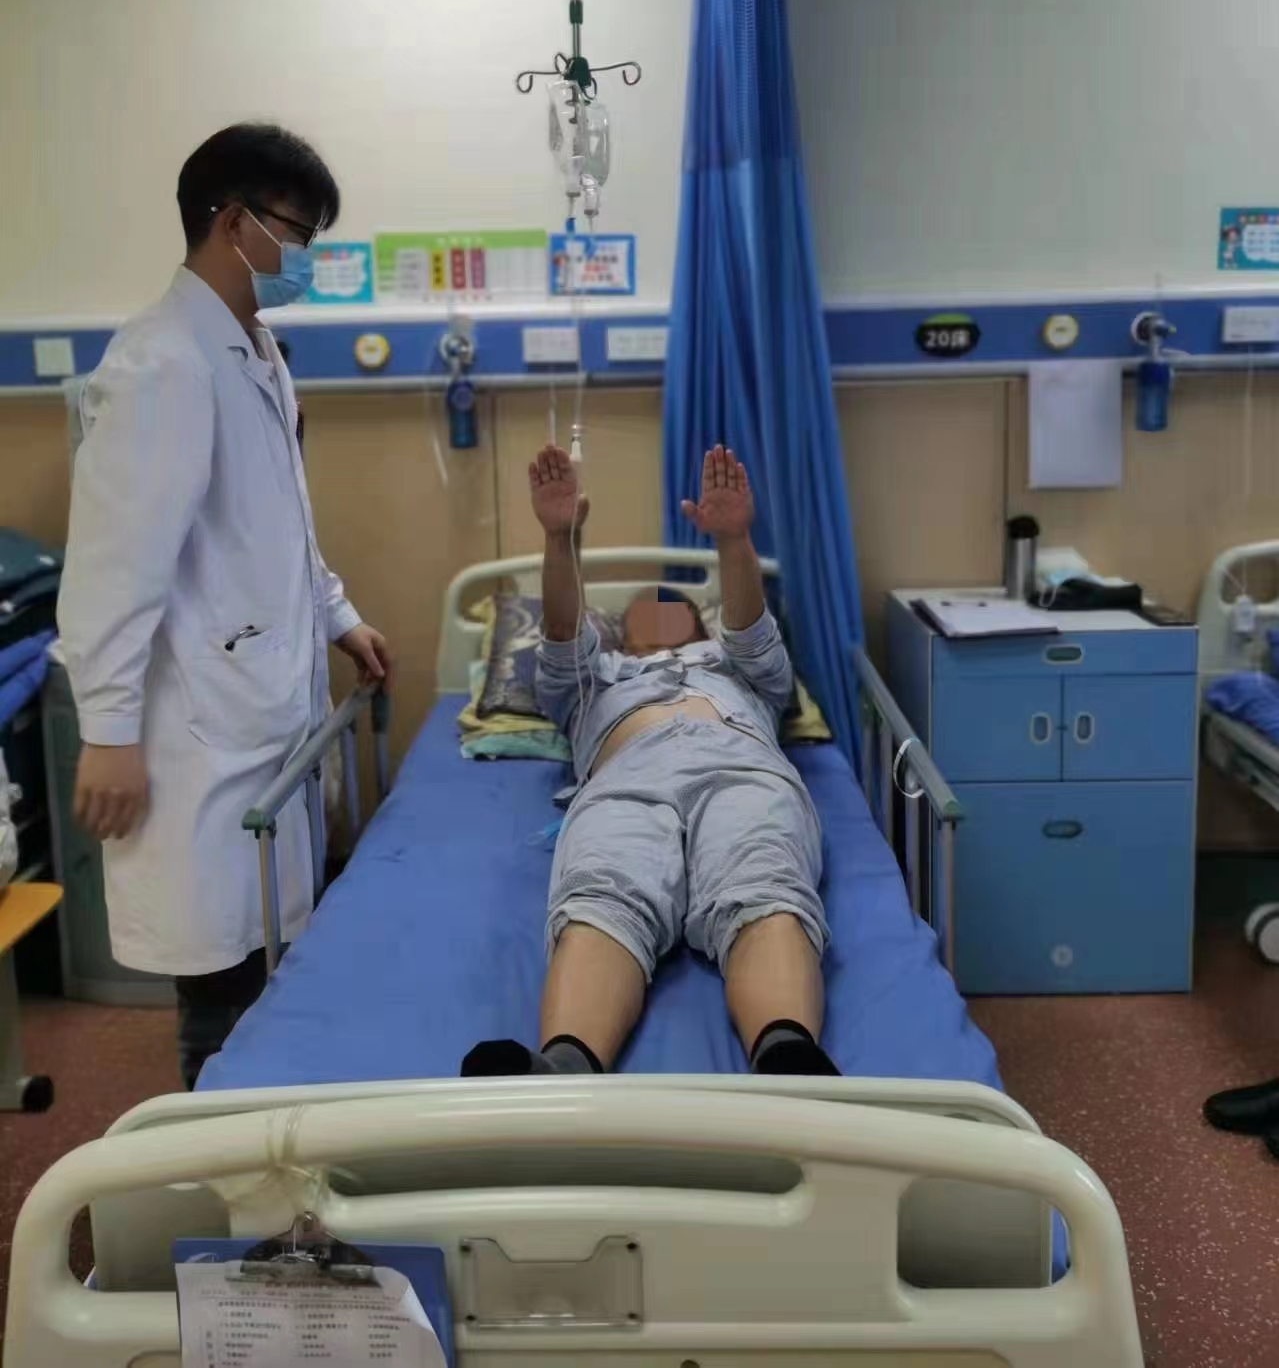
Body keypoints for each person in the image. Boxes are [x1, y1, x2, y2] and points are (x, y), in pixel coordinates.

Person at [58, 123, 393, 1089]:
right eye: (300, 233)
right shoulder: (162, 363)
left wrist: (338, 616)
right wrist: (108, 731)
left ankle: (265, 1140)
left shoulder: (256, 351)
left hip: (259, 716)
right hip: (197, 738)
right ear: (235, 223)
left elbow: (280, 524)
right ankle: (216, 1158)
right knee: (220, 987)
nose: (307, 258)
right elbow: (115, 566)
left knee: (267, 967)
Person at [463, 442, 834, 1079]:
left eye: (674, 608)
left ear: (703, 626)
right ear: (619, 632)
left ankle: (787, 1056)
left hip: (738, 767)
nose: (659, 613)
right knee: (604, 891)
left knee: (763, 881)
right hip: (625, 778)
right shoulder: (594, 679)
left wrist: (733, 541)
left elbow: (749, 629)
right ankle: (566, 1067)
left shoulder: (740, 668)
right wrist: (560, 540)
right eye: (645, 610)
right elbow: (562, 636)